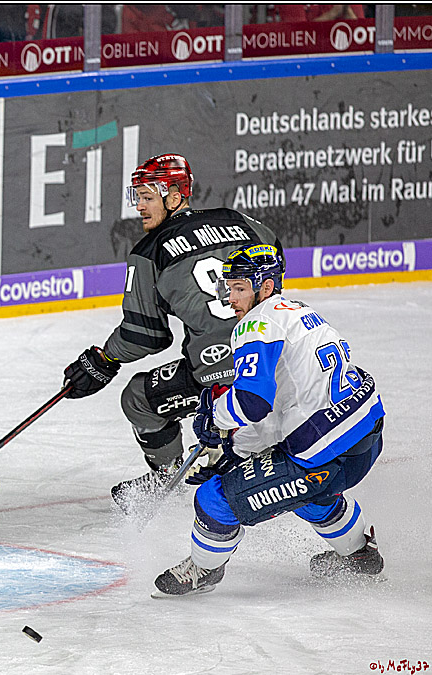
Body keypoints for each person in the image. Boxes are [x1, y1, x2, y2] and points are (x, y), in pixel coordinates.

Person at [153, 244, 386, 596]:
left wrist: (215, 421)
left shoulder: (256, 323)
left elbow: (252, 402)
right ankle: (359, 556)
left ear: (265, 286)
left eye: (240, 288)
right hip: (366, 432)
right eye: (228, 288)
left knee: (214, 501)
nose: (231, 298)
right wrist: (235, 450)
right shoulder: (299, 311)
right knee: (310, 493)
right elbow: (282, 407)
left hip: (325, 450)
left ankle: (204, 571)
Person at [60, 153, 282, 515]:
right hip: (272, 361)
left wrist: (105, 358)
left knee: (137, 398)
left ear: (175, 195)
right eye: (137, 197)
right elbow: (275, 262)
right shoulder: (238, 221)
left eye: (147, 197)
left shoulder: (149, 252)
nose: (139, 207)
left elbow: (144, 335)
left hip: (215, 376)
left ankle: (171, 475)